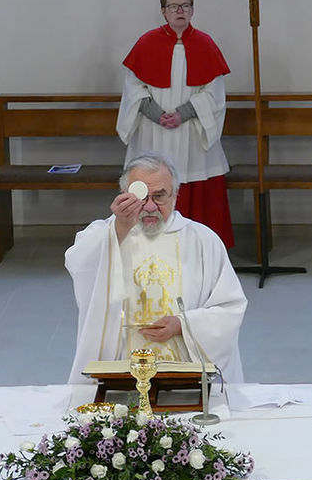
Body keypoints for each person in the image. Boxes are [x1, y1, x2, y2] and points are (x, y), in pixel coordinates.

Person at [65, 152, 246, 385]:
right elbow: (79, 264)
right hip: (120, 366)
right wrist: (119, 228)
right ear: (124, 195)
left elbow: (229, 307)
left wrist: (184, 323)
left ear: (175, 195)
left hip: (184, 367)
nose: (149, 206)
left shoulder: (202, 240)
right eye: (141, 197)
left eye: (159, 196)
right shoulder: (106, 234)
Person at [117, 0, 235, 249]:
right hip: (154, 131)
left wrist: (183, 113)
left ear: (192, 10)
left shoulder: (205, 44)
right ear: (163, 11)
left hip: (192, 131)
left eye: (185, 6)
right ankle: (146, 248)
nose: (179, 11)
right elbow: (133, 88)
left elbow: (214, 93)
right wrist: (156, 113)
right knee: (151, 183)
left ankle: (201, 251)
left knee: (195, 185)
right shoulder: (146, 43)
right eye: (173, 6)